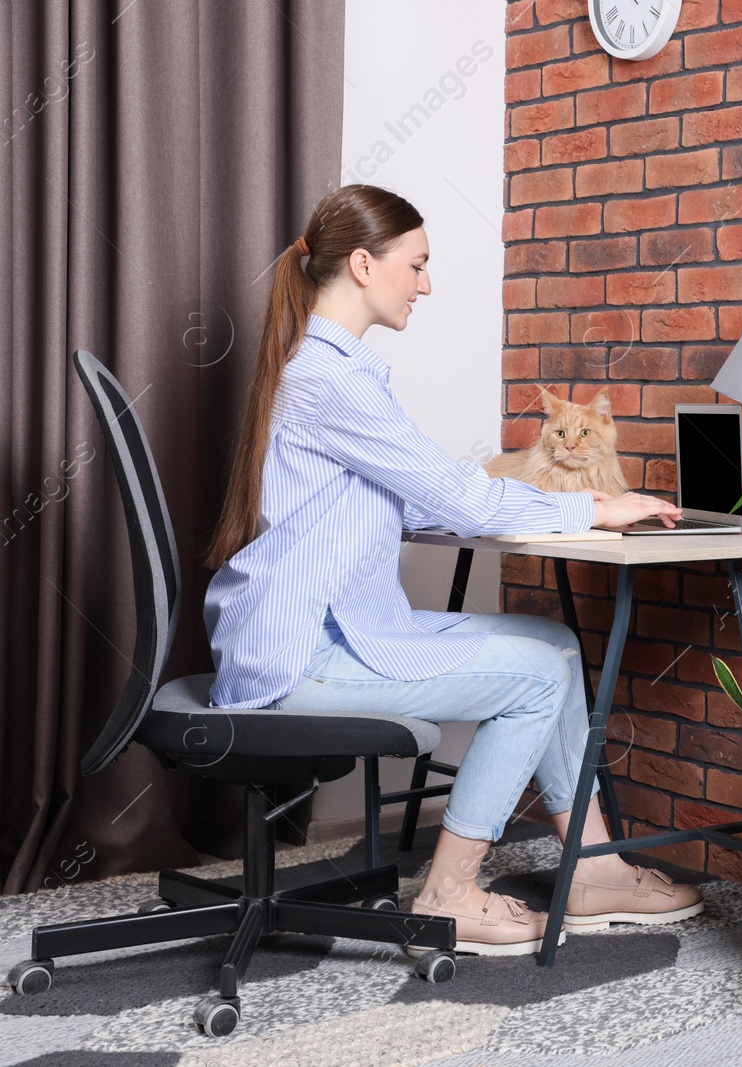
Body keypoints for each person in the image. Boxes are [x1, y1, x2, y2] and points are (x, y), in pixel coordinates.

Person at [203, 184, 698, 955]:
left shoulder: (332, 370)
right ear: (364, 265)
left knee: (555, 644)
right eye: (418, 264)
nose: (427, 284)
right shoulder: (330, 380)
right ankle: (450, 889)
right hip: (306, 655)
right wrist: (591, 510)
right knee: (536, 674)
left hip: (328, 632)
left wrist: (545, 504)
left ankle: (595, 871)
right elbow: (453, 492)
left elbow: (407, 499)